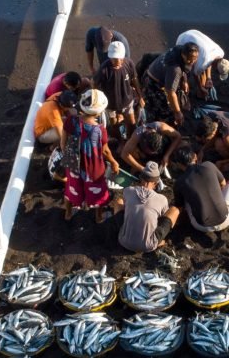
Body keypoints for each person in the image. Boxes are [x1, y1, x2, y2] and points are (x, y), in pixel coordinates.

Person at [60, 89, 120, 222]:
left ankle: (68, 213)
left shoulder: (70, 121)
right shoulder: (100, 130)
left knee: (72, 188)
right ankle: (99, 217)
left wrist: (69, 158)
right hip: (93, 169)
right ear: (99, 112)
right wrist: (114, 162)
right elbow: (105, 151)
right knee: (98, 191)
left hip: (73, 165)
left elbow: (63, 143)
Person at [172, 145, 229, 233]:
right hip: (225, 219)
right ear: (195, 156)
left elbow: (179, 207)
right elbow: (223, 183)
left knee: (185, 199)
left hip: (201, 226)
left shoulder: (179, 182)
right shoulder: (209, 165)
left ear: (178, 164)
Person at [118, 161, 180, 252]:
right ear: (156, 183)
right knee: (174, 210)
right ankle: (159, 241)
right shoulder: (162, 199)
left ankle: (124, 229)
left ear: (140, 177)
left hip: (124, 241)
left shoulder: (128, 191)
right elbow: (162, 220)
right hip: (148, 246)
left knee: (119, 201)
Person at [93, 40, 143, 133]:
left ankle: (129, 138)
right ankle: (119, 141)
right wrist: (97, 102)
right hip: (110, 104)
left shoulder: (129, 63)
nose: (118, 61)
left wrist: (140, 96)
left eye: (120, 58)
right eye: (115, 58)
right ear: (110, 57)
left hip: (127, 102)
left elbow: (134, 79)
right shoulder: (104, 69)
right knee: (114, 124)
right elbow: (95, 84)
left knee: (132, 124)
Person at [143, 42, 197, 126]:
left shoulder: (179, 49)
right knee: (164, 112)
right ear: (183, 55)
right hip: (153, 84)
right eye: (189, 59)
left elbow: (183, 68)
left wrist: (184, 80)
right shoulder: (175, 69)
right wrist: (178, 112)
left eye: (195, 59)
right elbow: (170, 92)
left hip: (155, 72)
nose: (192, 62)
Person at [175, 29, 229, 98]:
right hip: (183, 40)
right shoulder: (202, 64)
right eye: (217, 72)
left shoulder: (221, 53)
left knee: (203, 69)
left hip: (193, 33)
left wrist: (208, 78)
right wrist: (200, 87)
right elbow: (196, 74)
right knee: (184, 66)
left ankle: (202, 90)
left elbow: (211, 61)